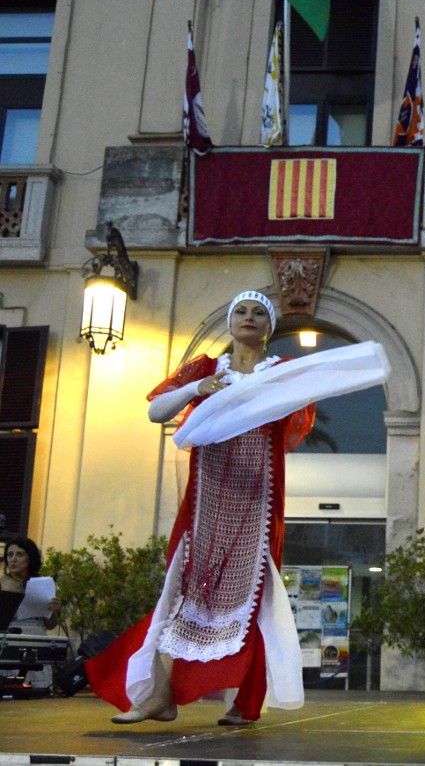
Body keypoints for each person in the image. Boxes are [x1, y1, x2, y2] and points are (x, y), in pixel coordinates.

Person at [87, 291, 316, 725]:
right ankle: (159, 697)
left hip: (258, 501)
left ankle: (244, 703)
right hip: (205, 500)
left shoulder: (281, 371)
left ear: (270, 326)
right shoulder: (207, 369)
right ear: (230, 322)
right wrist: (197, 389)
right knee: (182, 592)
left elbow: (301, 404)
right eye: (241, 311)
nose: (249, 317)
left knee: (255, 598)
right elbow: (156, 412)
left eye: (259, 312)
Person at [2, 537, 63, 688]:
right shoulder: (2, 584)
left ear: (30, 558)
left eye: (19, 554)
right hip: (10, 639)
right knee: (10, 687)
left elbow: (50, 625)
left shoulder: (43, 584)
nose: (13, 559)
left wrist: (55, 610)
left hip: (36, 640)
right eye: (10, 555)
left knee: (35, 690)